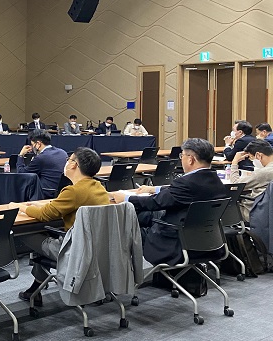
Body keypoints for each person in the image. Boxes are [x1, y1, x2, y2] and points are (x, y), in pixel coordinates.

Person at [111, 138, 227, 266]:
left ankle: (123, 270)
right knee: (146, 215)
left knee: (132, 217)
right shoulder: (215, 180)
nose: (181, 159)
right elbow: (182, 192)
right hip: (207, 241)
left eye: (181, 155)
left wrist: (126, 198)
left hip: (176, 243)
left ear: (190, 159)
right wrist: (154, 188)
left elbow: (154, 203)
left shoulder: (185, 183)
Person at [17, 147, 109, 305]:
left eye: (69, 159)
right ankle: (35, 289)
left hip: (74, 251)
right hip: (97, 248)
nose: (66, 163)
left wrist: (20, 206)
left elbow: (44, 215)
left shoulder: (73, 191)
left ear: (74, 165)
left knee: (23, 233)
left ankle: (36, 289)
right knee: (48, 238)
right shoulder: (99, 187)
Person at [229, 140, 273, 221]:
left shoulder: (263, 173)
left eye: (250, 158)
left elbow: (235, 185)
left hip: (254, 212)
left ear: (258, 155)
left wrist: (234, 163)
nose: (251, 161)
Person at [16, 130, 69, 199]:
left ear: (38, 144)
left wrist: (21, 155)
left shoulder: (41, 158)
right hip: (62, 192)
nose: (32, 148)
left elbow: (21, 173)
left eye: (32, 144)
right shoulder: (63, 152)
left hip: (45, 193)